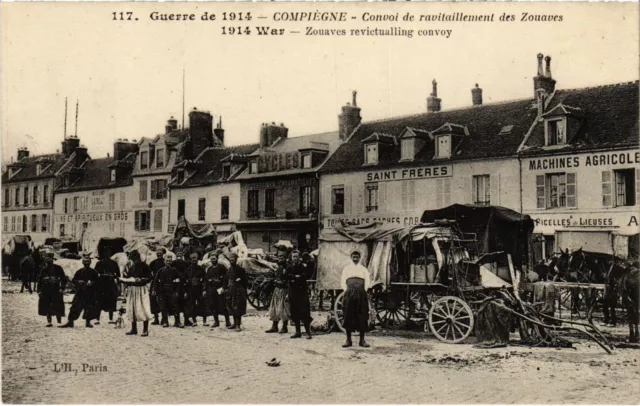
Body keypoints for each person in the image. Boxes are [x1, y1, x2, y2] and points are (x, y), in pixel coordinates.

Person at [340, 250, 371, 348]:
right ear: (351, 257)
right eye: (354, 257)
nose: (355, 259)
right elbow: (342, 281)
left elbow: (367, 281)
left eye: (357, 257)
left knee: (362, 315)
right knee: (348, 315)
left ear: (359, 257)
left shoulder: (363, 269)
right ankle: (348, 340)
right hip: (349, 293)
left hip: (361, 293)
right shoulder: (347, 269)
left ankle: (362, 340)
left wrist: (363, 291)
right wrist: (347, 290)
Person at [60, 253, 99, 329]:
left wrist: (92, 282)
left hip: (90, 293)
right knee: (75, 306)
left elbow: (98, 281)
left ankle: (88, 322)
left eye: (88, 261)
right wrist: (79, 282)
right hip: (80, 292)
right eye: (85, 261)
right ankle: (70, 322)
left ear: (90, 262)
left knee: (89, 307)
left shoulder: (94, 272)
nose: (86, 262)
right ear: (82, 262)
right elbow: (74, 280)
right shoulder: (79, 271)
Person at [122, 250, 153, 336]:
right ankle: (134, 329)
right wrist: (124, 282)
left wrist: (142, 280)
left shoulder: (145, 266)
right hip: (132, 289)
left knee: (143, 308)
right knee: (133, 308)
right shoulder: (132, 268)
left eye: (135, 259)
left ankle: (145, 330)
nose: (134, 261)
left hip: (142, 289)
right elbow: (127, 278)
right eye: (133, 260)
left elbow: (150, 278)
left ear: (138, 257)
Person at [286, 250, 313, 339]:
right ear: (291, 258)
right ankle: (298, 332)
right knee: (295, 311)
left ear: (299, 257)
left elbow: (306, 275)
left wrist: (298, 277)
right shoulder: (289, 267)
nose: (295, 258)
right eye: (293, 257)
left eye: (297, 256)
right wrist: (294, 277)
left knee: (305, 312)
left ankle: (308, 332)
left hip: (302, 292)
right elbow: (286, 276)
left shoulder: (303, 266)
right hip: (293, 292)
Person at [37, 252, 68, 326]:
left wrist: (62, 288)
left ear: (52, 259)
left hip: (56, 288)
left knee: (58, 304)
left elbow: (63, 278)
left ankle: (59, 321)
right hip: (46, 289)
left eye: (50, 258)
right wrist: (39, 291)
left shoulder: (58, 268)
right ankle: (49, 321)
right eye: (47, 258)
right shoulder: (43, 269)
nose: (48, 259)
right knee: (47, 304)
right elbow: (39, 280)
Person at [152, 255, 183, 328]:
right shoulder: (160, 270)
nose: (168, 262)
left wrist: (177, 291)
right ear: (164, 262)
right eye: (167, 261)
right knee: (163, 306)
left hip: (172, 290)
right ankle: (165, 321)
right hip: (162, 291)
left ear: (171, 262)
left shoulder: (174, 270)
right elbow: (155, 281)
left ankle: (177, 322)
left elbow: (179, 281)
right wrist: (154, 289)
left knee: (175, 306)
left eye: (170, 261)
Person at [204, 253, 231, 328]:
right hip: (212, 289)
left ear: (217, 259)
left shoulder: (222, 267)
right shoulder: (209, 269)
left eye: (214, 259)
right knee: (213, 305)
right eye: (211, 259)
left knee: (223, 305)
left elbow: (226, 278)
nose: (213, 260)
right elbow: (207, 280)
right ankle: (216, 321)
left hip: (220, 289)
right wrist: (205, 289)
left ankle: (228, 321)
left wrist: (224, 287)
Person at [265, 254, 291, 334]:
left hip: (284, 290)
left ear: (285, 258)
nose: (280, 259)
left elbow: (289, 280)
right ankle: (274, 326)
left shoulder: (288, 268)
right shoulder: (278, 268)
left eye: (282, 258)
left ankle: (284, 327)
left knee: (283, 309)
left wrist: (288, 291)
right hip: (277, 290)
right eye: (279, 258)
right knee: (274, 308)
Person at [94, 247, 120, 325]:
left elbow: (118, 274)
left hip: (110, 284)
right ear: (103, 254)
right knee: (99, 301)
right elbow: (95, 274)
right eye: (106, 253)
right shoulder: (99, 263)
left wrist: (113, 277)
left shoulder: (114, 263)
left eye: (109, 253)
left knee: (111, 301)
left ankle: (111, 319)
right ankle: (97, 319)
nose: (107, 255)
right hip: (101, 284)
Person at [225, 253, 248, 331]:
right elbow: (226, 280)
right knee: (231, 307)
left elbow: (245, 280)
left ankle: (238, 325)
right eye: (230, 259)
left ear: (236, 260)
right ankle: (234, 324)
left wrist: (240, 280)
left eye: (233, 259)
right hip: (231, 290)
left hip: (238, 291)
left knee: (237, 307)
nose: (231, 261)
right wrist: (225, 288)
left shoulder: (240, 269)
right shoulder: (229, 269)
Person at [184, 252, 206, 327]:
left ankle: (204, 321)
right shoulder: (188, 270)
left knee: (202, 304)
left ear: (197, 259)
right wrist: (186, 291)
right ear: (190, 260)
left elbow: (205, 280)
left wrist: (204, 289)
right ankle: (194, 321)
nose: (194, 260)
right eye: (192, 258)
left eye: (195, 258)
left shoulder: (201, 269)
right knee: (192, 305)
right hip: (191, 289)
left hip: (199, 289)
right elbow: (185, 281)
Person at [148, 248, 166, 325]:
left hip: (163, 283)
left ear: (163, 254)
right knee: (153, 300)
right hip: (155, 283)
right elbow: (148, 272)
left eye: (160, 253)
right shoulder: (153, 263)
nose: (159, 254)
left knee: (163, 300)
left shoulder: (165, 263)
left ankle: (164, 319)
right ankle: (156, 319)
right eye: (157, 253)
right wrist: (152, 278)